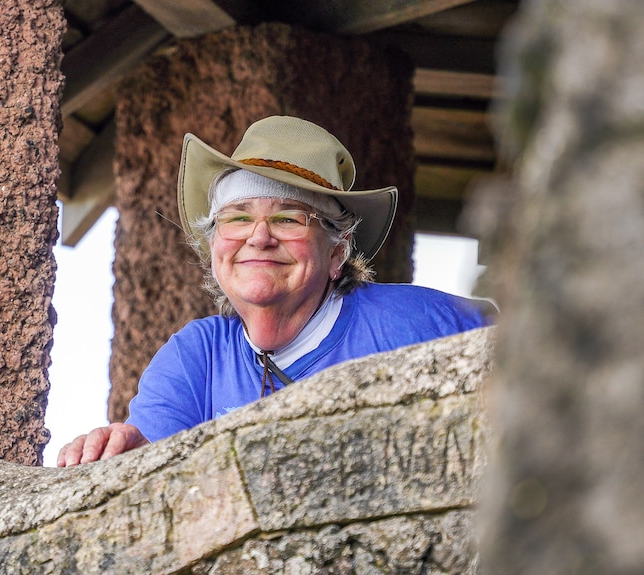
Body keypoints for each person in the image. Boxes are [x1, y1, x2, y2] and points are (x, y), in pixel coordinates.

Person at [57, 115, 492, 467]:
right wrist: (123, 454)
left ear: (337, 253)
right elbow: (147, 468)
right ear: (214, 247)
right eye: (237, 218)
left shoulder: (425, 324)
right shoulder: (197, 357)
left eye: (289, 218)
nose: (259, 237)